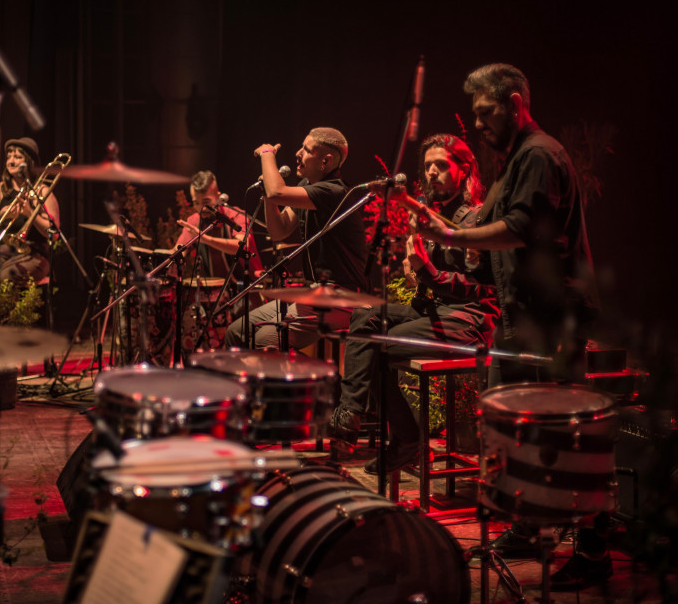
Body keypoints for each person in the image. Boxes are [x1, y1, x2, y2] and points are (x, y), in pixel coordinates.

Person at [414, 64, 605, 590]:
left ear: (516, 102)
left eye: (486, 112)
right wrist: (438, 231)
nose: (477, 124)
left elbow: (519, 230)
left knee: (565, 436)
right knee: (514, 429)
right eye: (474, 114)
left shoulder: (539, 154)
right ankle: (525, 528)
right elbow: (482, 229)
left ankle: (593, 550)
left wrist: (449, 238)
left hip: (552, 319)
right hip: (523, 316)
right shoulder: (514, 159)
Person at [330, 134, 500, 474]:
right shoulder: (432, 215)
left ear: (464, 170)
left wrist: (427, 270)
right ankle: (351, 415)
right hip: (439, 309)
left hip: (470, 319)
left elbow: (481, 288)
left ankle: (407, 439)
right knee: (366, 316)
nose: (432, 172)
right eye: (427, 166)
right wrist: (416, 270)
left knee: (377, 348)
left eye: (441, 165)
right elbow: (430, 281)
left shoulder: (477, 218)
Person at [223, 127, 369, 350]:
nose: (298, 153)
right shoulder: (307, 187)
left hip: (340, 299)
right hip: (314, 293)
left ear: (326, 161)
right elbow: (279, 230)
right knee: (236, 332)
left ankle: (310, 382)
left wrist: (267, 154)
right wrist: (268, 193)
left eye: (307, 149)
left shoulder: (334, 191)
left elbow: (278, 192)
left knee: (259, 343)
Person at [0, 137, 59, 284]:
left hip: (35, 254)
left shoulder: (42, 191)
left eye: (17, 157)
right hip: (5, 249)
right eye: (9, 157)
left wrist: (30, 214)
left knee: (7, 276)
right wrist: (2, 214)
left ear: (29, 161)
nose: (11, 161)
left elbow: (53, 235)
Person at [174, 170, 262, 281]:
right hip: (213, 294)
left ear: (218, 197)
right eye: (196, 203)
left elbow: (243, 246)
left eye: (206, 202)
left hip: (249, 289)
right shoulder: (194, 221)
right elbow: (178, 251)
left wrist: (205, 239)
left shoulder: (236, 215)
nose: (202, 208)